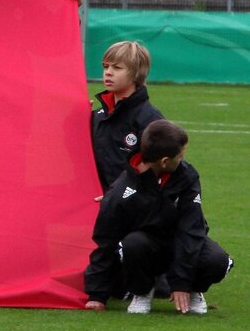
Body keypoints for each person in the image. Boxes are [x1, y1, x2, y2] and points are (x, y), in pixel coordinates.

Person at [83, 120, 233, 314]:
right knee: (132, 245)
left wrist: (182, 282)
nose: (182, 160)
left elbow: (191, 229)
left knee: (217, 260)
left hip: (182, 241)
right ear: (164, 161)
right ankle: (142, 291)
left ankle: (195, 290)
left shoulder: (187, 176)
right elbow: (105, 241)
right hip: (147, 249)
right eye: (180, 156)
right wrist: (97, 295)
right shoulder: (121, 192)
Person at [91, 41, 164, 193]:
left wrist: (120, 196)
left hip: (131, 209)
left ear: (136, 73)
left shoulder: (150, 119)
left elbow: (159, 170)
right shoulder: (97, 116)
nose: (108, 72)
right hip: (97, 204)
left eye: (117, 68)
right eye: (106, 67)